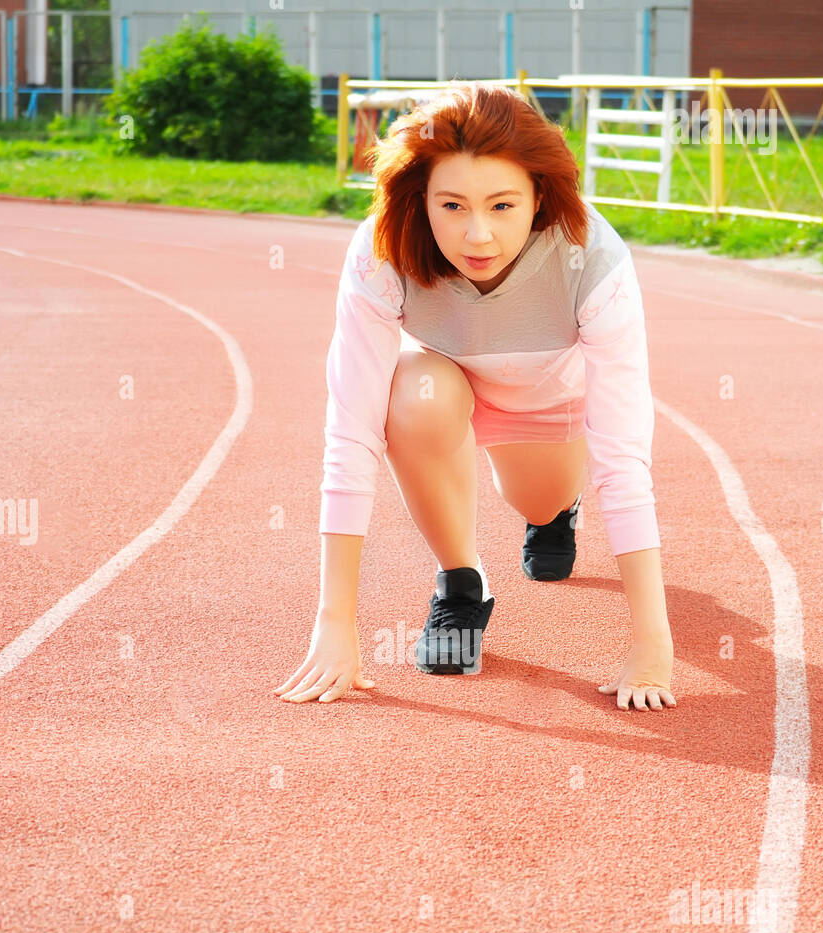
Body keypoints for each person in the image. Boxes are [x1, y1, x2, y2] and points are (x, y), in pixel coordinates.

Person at [274, 81, 676, 710]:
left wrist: (652, 641)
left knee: (536, 500)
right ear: (421, 199)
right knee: (413, 392)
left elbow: (622, 455)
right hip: (450, 391)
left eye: (502, 206)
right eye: (454, 206)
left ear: (538, 197)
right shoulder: (383, 251)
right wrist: (335, 621)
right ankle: (462, 585)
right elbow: (351, 430)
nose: (478, 236)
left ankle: (553, 514)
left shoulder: (591, 259)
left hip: (548, 408)